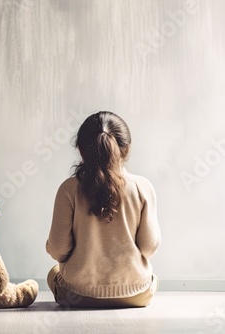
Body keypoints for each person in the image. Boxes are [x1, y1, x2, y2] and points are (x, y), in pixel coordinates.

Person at [46, 111, 161, 308]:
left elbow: (58, 249)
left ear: (81, 149)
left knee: (53, 273)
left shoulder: (69, 189)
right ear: (126, 149)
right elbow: (148, 248)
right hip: (136, 294)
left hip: (78, 294)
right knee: (152, 277)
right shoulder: (143, 187)